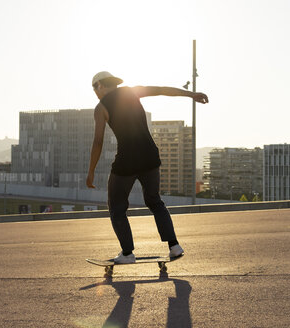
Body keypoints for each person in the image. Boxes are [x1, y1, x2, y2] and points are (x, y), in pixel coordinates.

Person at [86, 71, 209, 264]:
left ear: (101, 85)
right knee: (155, 201)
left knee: (117, 207)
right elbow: (161, 90)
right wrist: (191, 95)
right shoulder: (132, 92)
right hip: (150, 157)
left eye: (94, 87)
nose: (94, 92)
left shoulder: (101, 108)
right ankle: (174, 246)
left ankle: (127, 253)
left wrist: (91, 170)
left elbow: (98, 141)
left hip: (126, 161)